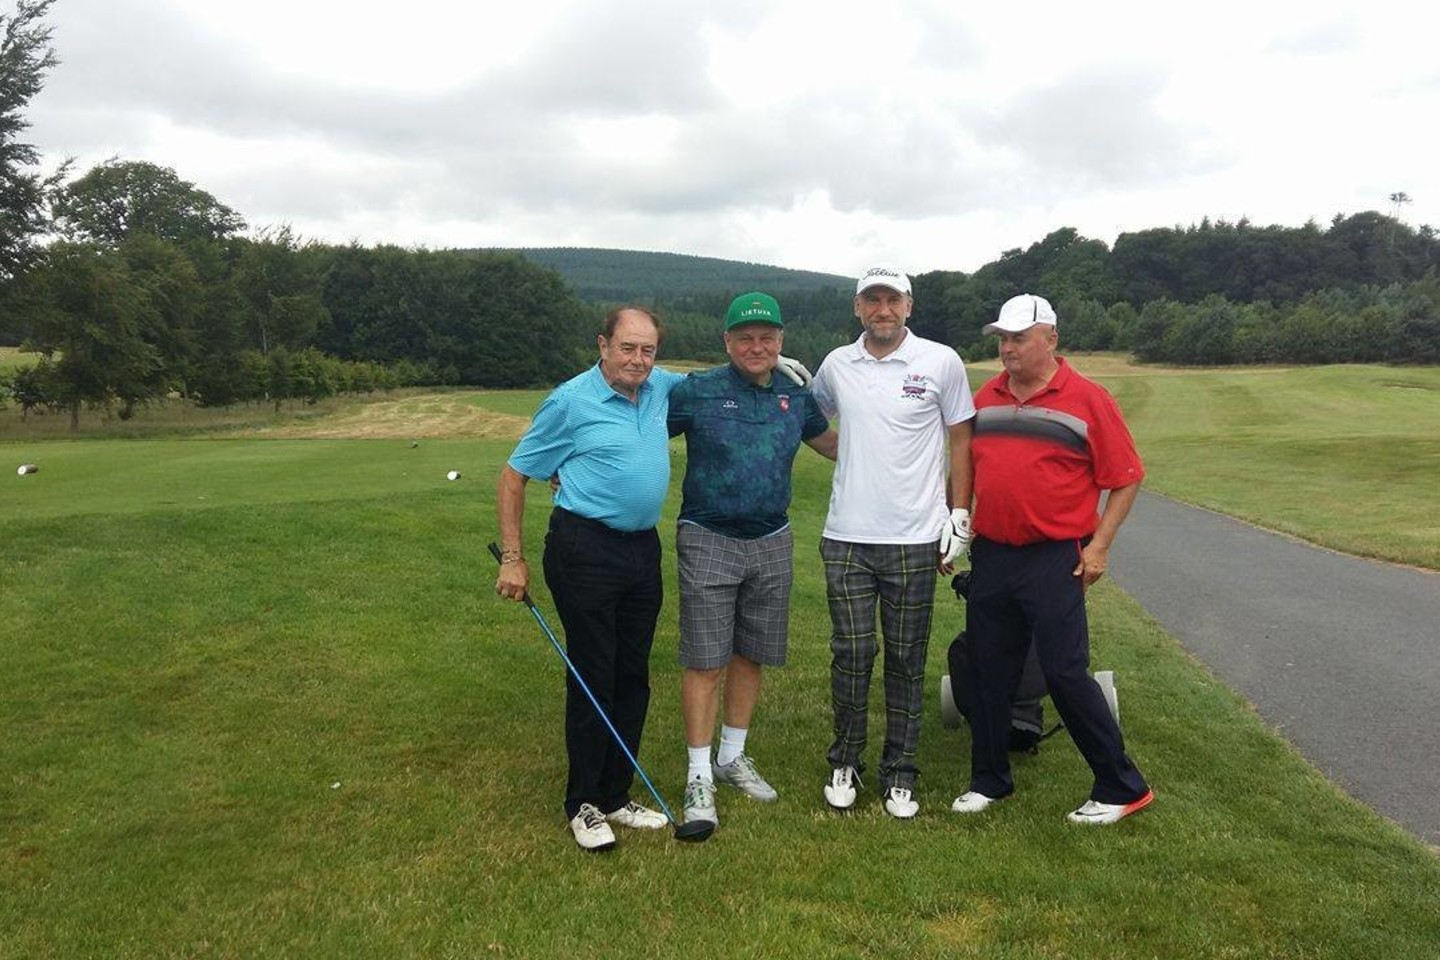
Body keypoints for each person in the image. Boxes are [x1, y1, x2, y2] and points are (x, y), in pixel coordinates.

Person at [950, 293, 1154, 825]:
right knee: (988, 669)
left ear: (1051, 339)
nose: (1007, 348)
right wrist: (956, 521)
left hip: (1055, 557)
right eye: (1002, 338)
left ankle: (1121, 786)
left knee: (1064, 671)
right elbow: (967, 466)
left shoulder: (1088, 399)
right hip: (994, 553)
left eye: (1019, 338)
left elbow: (1126, 478)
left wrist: (1100, 546)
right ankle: (989, 780)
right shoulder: (987, 397)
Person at [495, 305, 683, 852]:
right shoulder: (570, 401)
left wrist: (775, 362)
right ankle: (584, 802)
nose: (638, 360)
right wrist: (512, 557)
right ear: (603, 345)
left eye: (648, 350)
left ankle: (617, 793)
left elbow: (716, 379)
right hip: (584, 549)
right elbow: (513, 476)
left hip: (642, 549)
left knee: (633, 675)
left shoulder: (658, 387)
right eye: (627, 348)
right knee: (594, 673)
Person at [666, 292, 837, 828]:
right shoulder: (698, 391)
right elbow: (638, 426)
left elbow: (835, 445)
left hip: (772, 538)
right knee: (705, 658)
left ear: (781, 341)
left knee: (751, 653)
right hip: (708, 534)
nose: (756, 347)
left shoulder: (794, 394)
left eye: (767, 338)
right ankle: (698, 774)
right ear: (727, 342)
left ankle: (731, 756)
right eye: (745, 338)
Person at [811, 265, 976, 819]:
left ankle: (900, 772)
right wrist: (848, 452)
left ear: (908, 305)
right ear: (857, 307)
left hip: (914, 537)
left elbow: (961, 439)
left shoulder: (940, 361)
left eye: (892, 300)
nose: (882, 309)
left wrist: (958, 513)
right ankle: (845, 761)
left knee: (906, 658)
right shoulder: (837, 364)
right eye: (872, 300)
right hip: (846, 537)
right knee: (852, 652)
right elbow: (811, 420)